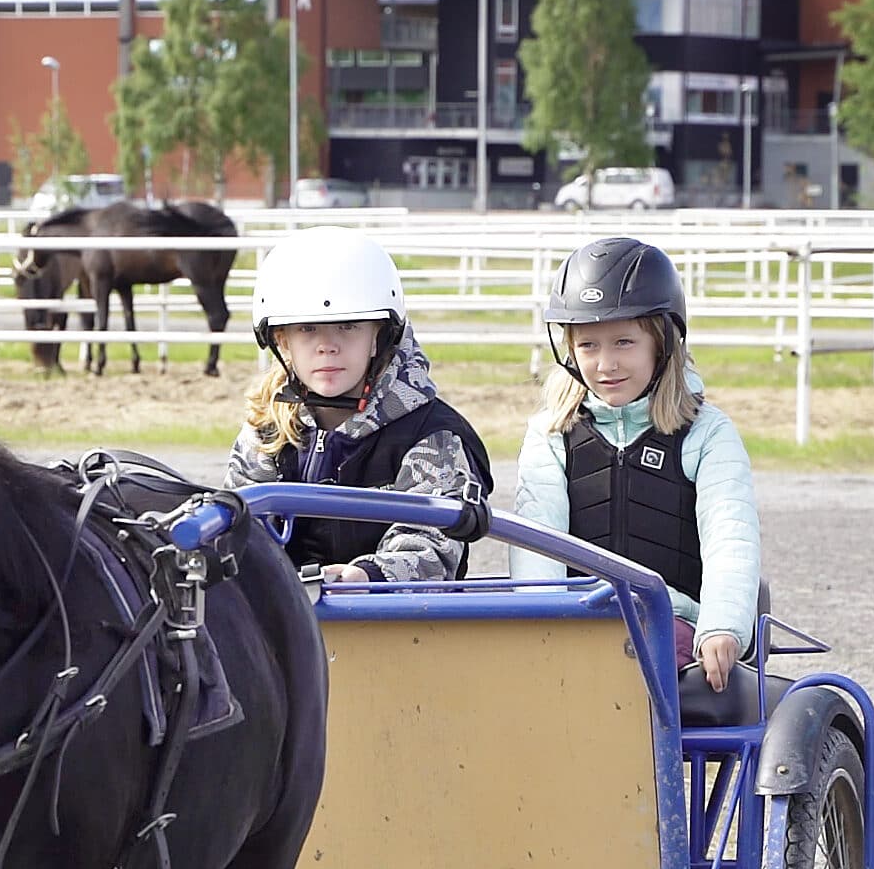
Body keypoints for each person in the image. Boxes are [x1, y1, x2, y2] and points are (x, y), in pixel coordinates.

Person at [511, 235, 759, 691]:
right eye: (588, 345)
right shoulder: (550, 433)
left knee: (631, 663)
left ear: (661, 342)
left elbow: (732, 536)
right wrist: (539, 630)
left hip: (673, 625)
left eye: (624, 341)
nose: (606, 364)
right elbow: (536, 545)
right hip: (577, 623)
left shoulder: (708, 432)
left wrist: (722, 625)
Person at [226, 227, 493, 582]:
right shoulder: (267, 427)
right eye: (307, 329)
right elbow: (235, 535)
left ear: (378, 336)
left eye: (348, 326)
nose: (327, 346)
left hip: (395, 626)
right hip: (283, 624)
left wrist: (368, 576)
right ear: (283, 341)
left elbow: (432, 545)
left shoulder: (433, 434)